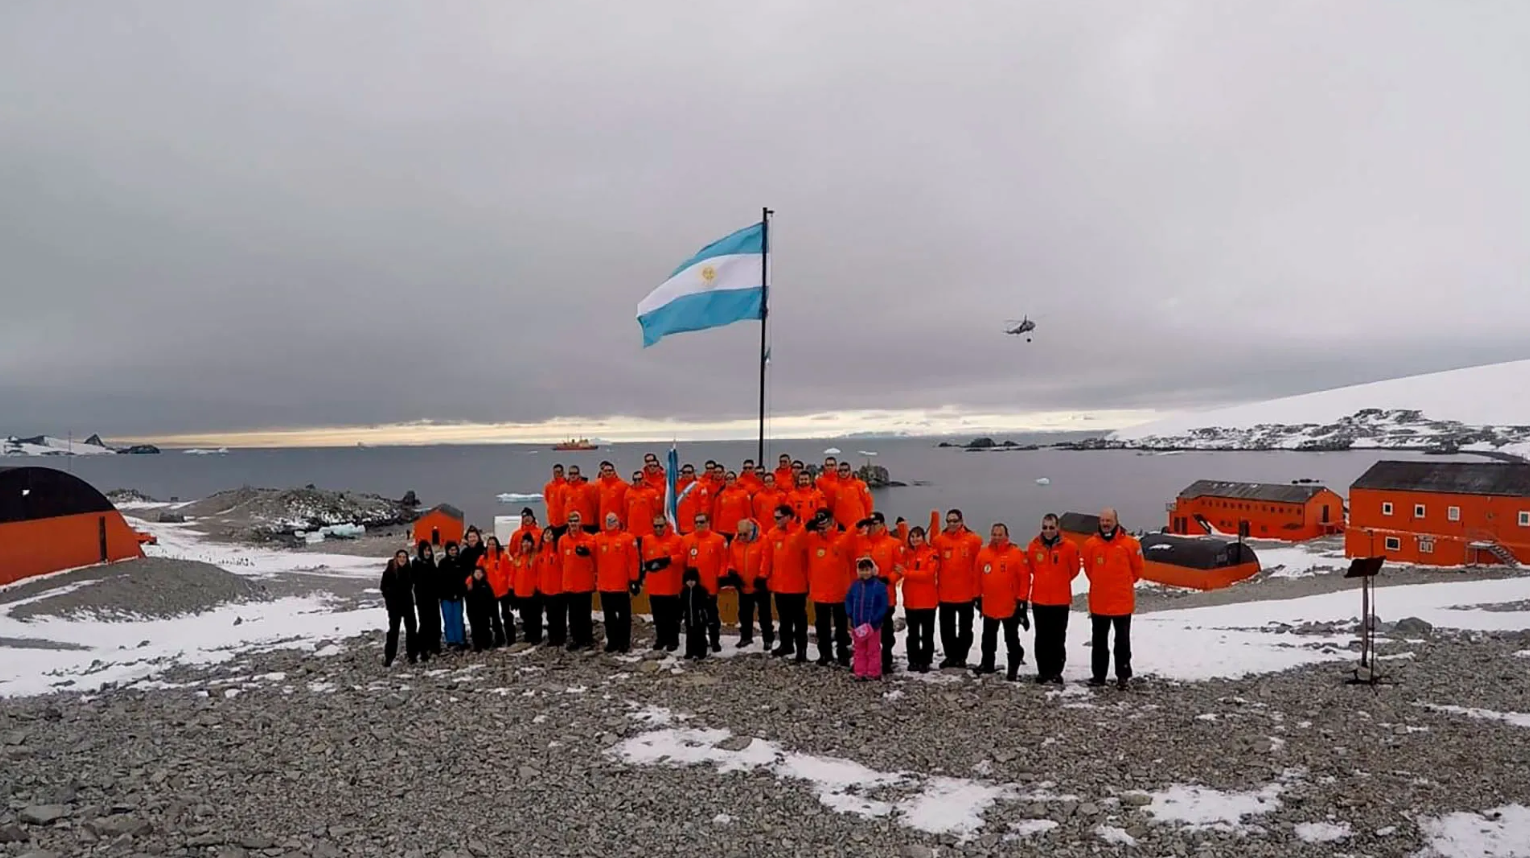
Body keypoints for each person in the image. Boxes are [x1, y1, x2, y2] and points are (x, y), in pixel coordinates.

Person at [1082, 507, 1143, 689]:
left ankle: (1123, 676)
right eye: (1103, 521)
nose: (1105, 524)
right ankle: (1098, 676)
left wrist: (1122, 584)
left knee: (1122, 642)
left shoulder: (1130, 544)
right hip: (1099, 602)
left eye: (1108, 520)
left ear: (1116, 521)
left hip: (1122, 602)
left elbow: (1138, 570)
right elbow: (1089, 569)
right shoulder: (1091, 544)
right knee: (1099, 642)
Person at [1028, 513, 1082, 684]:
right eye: (1045, 527)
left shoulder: (1069, 547)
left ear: (1058, 528)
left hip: (1060, 600)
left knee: (1058, 637)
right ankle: (1043, 671)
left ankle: (1056, 671)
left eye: (1051, 527)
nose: (1048, 531)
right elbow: (1031, 567)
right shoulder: (1034, 546)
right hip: (1040, 600)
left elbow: (1074, 570)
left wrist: (1060, 581)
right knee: (1041, 637)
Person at [974, 523, 1030, 681]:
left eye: (1000, 535)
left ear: (1007, 536)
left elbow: (1025, 579)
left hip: (1009, 605)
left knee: (1011, 638)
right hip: (989, 604)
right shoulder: (983, 554)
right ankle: (987, 663)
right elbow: (976, 577)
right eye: (994, 534)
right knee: (988, 638)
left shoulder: (1016, 554)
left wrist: (1022, 601)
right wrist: (976, 597)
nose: (997, 538)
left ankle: (1013, 666)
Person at [930, 508, 982, 669]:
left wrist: (979, 591)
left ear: (961, 521)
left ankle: (961, 656)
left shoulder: (974, 540)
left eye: (955, 521)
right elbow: (933, 564)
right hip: (945, 593)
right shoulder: (938, 540)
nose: (952, 524)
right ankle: (950, 656)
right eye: (949, 521)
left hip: (966, 593)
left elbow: (979, 566)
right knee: (947, 628)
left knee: (966, 629)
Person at [804, 510, 854, 667]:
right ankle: (825, 654)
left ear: (832, 522)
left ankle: (842, 653)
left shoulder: (842, 538)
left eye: (824, 527)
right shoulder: (812, 538)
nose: (822, 531)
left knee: (841, 626)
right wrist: (806, 527)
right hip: (820, 591)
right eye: (819, 527)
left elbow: (854, 537)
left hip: (839, 590)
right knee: (822, 626)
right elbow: (796, 542)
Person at [859, 513, 903, 674]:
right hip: (865, 596)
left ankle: (886, 660)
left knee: (886, 632)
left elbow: (900, 568)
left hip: (885, 596)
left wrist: (888, 579)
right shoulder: (860, 541)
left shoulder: (894, 543)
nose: (872, 527)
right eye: (869, 524)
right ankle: (866, 660)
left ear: (883, 524)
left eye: (875, 523)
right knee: (866, 630)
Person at [765, 505, 810, 662]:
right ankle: (786, 644)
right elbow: (767, 558)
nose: (776, 520)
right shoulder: (772, 533)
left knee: (799, 620)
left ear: (788, 517)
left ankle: (801, 649)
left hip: (797, 584)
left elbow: (808, 556)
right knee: (784, 619)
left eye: (779, 517)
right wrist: (764, 576)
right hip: (779, 584)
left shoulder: (801, 532)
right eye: (775, 517)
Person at [680, 512, 727, 653]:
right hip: (693, 588)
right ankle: (699, 641)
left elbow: (724, 561)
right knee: (695, 617)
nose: (699, 525)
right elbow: (683, 561)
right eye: (696, 522)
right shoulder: (686, 539)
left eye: (702, 522)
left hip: (710, 585)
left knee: (711, 616)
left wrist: (721, 578)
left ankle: (715, 641)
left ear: (708, 523)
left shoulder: (718, 539)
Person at [595, 511, 640, 653]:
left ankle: (624, 642)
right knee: (609, 617)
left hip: (621, 584)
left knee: (624, 616)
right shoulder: (598, 538)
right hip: (605, 585)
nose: (610, 523)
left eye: (613, 520)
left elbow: (634, 560)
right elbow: (588, 547)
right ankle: (612, 641)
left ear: (618, 522)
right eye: (608, 520)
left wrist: (634, 579)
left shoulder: (627, 538)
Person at [726, 518, 774, 649]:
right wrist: (733, 573)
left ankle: (768, 639)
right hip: (743, 584)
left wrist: (762, 577)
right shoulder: (735, 543)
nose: (742, 537)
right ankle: (746, 637)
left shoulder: (764, 541)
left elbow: (766, 560)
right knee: (744, 613)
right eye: (740, 534)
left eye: (745, 534)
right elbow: (731, 560)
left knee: (764, 614)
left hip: (760, 584)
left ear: (752, 531)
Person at [899, 526, 941, 672]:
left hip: (927, 601)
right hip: (910, 600)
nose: (915, 539)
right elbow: (897, 569)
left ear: (923, 538)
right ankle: (913, 660)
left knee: (927, 633)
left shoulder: (932, 553)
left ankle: (926, 660)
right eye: (912, 536)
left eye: (918, 536)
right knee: (913, 633)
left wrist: (907, 573)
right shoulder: (906, 554)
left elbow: (928, 574)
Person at [845, 557, 890, 680]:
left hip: (873, 625)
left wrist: (876, 619)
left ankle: (873, 672)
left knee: (873, 649)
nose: (865, 573)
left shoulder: (879, 586)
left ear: (872, 570)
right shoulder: (855, 586)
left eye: (867, 570)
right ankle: (860, 672)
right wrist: (850, 614)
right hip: (858, 624)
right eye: (862, 570)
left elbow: (883, 605)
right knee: (859, 649)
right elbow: (848, 600)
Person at [560, 511, 598, 649]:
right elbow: (562, 560)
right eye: (571, 521)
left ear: (580, 522)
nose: (573, 524)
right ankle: (575, 639)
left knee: (585, 613)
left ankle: (587, 638)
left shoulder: (589, 538)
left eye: (576, 521)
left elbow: (593, 554)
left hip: (585, 583)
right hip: (570, 583)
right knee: (573, 614)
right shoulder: (563, 540)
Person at [380, 550, 418, 667]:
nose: (402, 559)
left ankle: (412, 655)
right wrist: (390, 600)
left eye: (404, 557)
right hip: (394, 606)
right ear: (396, 558)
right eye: (400, 557)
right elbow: (383, 588)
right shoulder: (389, 571)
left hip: (407, 604)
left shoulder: (409, 570)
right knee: (393, 632)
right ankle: (389, 657)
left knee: (411, 629)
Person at [480, 536, 514, 647]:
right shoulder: (483, 559)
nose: (491, 546)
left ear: (497, 545)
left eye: (493, 544)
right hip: (490, 593)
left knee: (506, 615)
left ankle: (511, 638)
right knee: (494, 617)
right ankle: (500, 638)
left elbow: (510, 572)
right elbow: (476, 572)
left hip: (503, 591)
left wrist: (510, 586)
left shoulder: (503, 557)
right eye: (489, 544)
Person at [536, 526, 567, 647]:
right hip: (545, 590)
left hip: (559, 590)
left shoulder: (558, 552)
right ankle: (552, 637)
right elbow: (538, 573)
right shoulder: (540, 554)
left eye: (550, 534)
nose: (548, 536)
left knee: (560, 615)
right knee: (550, 616)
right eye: (546, 533)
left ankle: (561, 637)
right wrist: (539, 586)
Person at [436, 541, 469, 651]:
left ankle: (461, 640)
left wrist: (461, 592)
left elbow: (463, 579)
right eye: (451, 550)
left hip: (458, 596)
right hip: (446, 596)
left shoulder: (461, 562)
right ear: (447, 551)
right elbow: (440, 581)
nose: (453, 552)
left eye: (455, 549)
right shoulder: (443, 563)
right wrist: (442, 594)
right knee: (448, 619)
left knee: (458, 618)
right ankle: (451, 640)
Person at [512, 533, 543, 645]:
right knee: (525, 616)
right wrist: (512, 588)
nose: (526, 544)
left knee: (535, 616)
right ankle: (528, 635)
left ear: (532, 544)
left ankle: (536, 636)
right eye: (524, 542)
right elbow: (513, 573)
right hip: (520, 592)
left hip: (533, 591)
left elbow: (539, 573)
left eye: (528, 542)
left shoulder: (536, 556)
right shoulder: (517, 557)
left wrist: (537, 588)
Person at [411, 541, 440, 660]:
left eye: (429, 550)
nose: (427, 553)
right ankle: (422, 647)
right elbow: (414, 580)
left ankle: (435, 645)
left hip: (433, 597)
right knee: (425, 622)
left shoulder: (431, 562)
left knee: (435, 621)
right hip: (422, 598)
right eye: (425, 550)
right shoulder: (416, 563)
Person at [463, 563, 498, 652]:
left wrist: (491, 610)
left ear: (483, 574)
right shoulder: (470, 584)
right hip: (473, 611)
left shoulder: (486, 584)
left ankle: (487, 643)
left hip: (485, 611)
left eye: (480, 573)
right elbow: (467, 599)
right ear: (473, 574)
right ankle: (477, 645)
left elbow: (491, 598)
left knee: (485, 626)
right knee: (475, 628)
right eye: (476, 573)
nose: (478, 575)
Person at [831, 461, 873, 530]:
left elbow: (868, 503)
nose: (843, 472)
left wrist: (867, 520)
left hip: (858, 524)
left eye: (845, 470)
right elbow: (832, 505)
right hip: (841, 526)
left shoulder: (861, 485)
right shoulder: (834, 487)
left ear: (850, 471)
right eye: (840, 470)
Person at [713, 472, 752, 543]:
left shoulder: (743, 494)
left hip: (738, 529)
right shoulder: (720, 494)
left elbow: (748, 512)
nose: (729, 481)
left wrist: (748, 528)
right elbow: (716, 514)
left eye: (731, 478)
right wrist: (715, 531)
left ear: (735, 480)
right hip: (723, 529)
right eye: (727, 479)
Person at [680, 568, 709, 660]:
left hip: (700, 618)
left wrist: (705, 616)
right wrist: (680, 616)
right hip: (689, 617)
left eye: (692, 580)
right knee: (690, 635)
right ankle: (690, 652)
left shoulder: (702, 591)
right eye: (688, 580)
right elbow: (681, 605)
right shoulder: (684, 591)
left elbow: (706, 605)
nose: (690, 582)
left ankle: (701, 652)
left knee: (700, 635)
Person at [625, 470, 661, 539]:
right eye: (635, 479)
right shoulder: (628, 492)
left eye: (639, 479)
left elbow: (657, 510)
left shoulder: (652, 492)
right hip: (633, 531)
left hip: (648, 530)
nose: (637, 481)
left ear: (644, 479)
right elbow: (626, 510)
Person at [564, 467, 600, 534]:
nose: (573, 475)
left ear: (579, 474)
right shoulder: (564, 488)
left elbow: (594, 504)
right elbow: (562, 504)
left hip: (586, 523)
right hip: (571, 523)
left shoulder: (588, 487)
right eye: (571, 473)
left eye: (575, 473)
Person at [596, 461, 629, 530]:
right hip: (603, 522)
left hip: (618, 521)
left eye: (610, 470)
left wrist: (623, 521)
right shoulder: (597, 485)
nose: (608, 472)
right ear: (602, 472)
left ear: (614, 471)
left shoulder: (623, 486)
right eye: (606, 471)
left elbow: (626, 505)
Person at [543, 466, 570, 539]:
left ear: (563, 472)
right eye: (555, 472)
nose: (557, 474)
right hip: (553, 522)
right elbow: (547, 500)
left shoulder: (567, 486)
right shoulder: (549, 487)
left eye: (559, 472)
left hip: (565, 522)